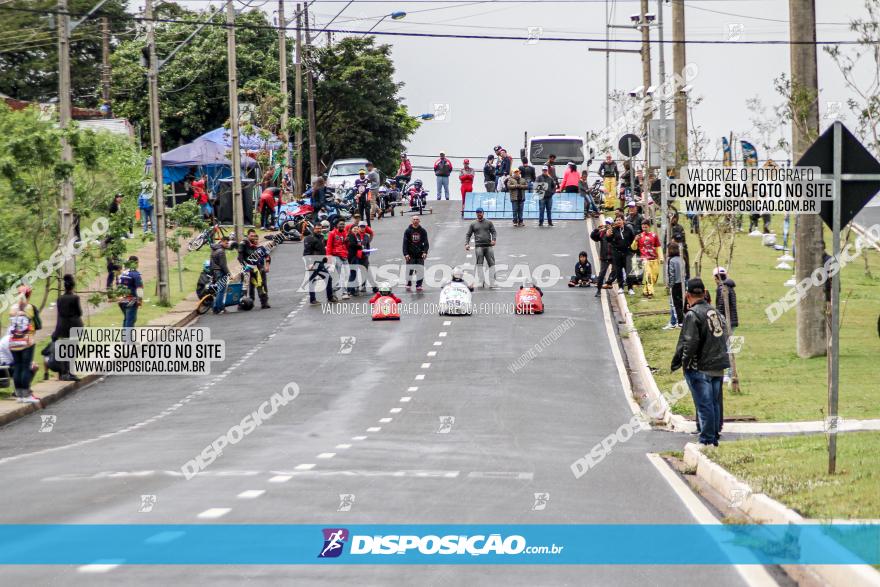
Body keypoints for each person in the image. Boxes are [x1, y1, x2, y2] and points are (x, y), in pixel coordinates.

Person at [671, 277, 730, 446]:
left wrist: (685, 364)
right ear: (704, 293)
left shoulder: (693, 314)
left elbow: (690, 343)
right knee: (714, 403)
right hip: (718, 365)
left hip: (700, 366)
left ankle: (707, 440)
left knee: (704, 405)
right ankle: (715, 434)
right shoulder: (715, 312)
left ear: (687, 295)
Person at [7, 286, 41, 403]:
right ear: (29, 295)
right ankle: (26, 395)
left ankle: (19, 395)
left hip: (13, 341)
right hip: (27, 342)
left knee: (18, 366)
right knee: (26, 367)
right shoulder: (30, 308)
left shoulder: (12, 308)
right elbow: (38, 324)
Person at [51, 274, 83, 382]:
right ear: (73, 287)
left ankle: (64, 373)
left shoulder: (59, 298)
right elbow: (79, 312)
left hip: (63, 326)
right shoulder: (75, 298)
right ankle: (71, 373)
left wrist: (56, 331)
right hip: (74, 326)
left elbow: (59, 314)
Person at [238, 229, 271, 309]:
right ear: (248, 235)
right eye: (251, 236)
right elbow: (240, 258)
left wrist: (266, 266)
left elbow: (267, 256)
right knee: (245, 287)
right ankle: (242, 304)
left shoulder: (259, 247)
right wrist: (245, 267)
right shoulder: (243, 244)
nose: (253, 238)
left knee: (260, 285)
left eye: (254, 236)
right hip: (247, 269)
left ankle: (264, 302)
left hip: (256, 269)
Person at [303, 221, 334, 304]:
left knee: (328, 279)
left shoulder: (321, 237)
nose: (319, 230)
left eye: (320, 228)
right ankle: (313, 300)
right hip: (313, 263)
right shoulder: (309, 238)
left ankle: (330, 297)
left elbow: (321, 249)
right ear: (314, 229)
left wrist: (325, 259)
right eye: (317, 228)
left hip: (320, 262)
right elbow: (306, 252)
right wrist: (309, 264)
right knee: (312, 281)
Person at [465, 207, 497, 288]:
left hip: (488, 246)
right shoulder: (473, 224)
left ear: (483, 213)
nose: (479, 214)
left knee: (492, 264)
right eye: (477, 212)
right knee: (479, 264)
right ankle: (481, 281)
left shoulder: (489, 222)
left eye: (480, 212)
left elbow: (493, 232)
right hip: (479, 247)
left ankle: (492, 281)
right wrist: (466, 244)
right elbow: (468, 234)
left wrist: (494, 240)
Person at [633, 219, 662, 298]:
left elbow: (658, 247)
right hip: (645, 259)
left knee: (654, 277)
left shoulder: (654, 236)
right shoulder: (639, 236)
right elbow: (634, 248)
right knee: (648, 275)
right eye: (643, 227)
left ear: (649, 227)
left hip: (654, 259)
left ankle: (645, 291)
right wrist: (635, 241)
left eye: (646, 227)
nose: (644, 229)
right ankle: (650, 293)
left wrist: (661, 258)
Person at [117, 256, 144, 338]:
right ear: (135, 263)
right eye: (137, 263)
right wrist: (140, 300)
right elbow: (139, 289)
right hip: (131, 300)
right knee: (130, 320)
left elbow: (118, 285)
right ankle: (128, 341)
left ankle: (125, 339)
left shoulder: (122, 273)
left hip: (121, 300)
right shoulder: (136, 274)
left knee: (126, 319)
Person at [326, 219, 351, 300]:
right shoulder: (332, 233)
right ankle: (344, 292)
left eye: (343, 224)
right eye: (340, 224)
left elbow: (346, 245)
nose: (342, 226)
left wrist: (347, 241)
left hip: (344, 255)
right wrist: (329, 259)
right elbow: (329, 247)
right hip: (336, 256)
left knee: (348, 274)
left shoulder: (345, 233)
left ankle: (334, 289)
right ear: (336, 225)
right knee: (342, 274)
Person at [403, 216, 429, 292]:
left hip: (420, 254)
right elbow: (405, 243)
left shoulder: (423, 231)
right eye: (414, 219)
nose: (415, 221)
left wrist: (425, 252)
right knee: (409, 270)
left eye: (417, 219)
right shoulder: (408, 231)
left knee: (420, 270)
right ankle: (408, 283)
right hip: (410, 254)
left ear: (419, 221)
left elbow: (426, 243)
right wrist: (405, 254)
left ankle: (419, 284)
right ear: (412, 221)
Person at [609, 216, 634, 294]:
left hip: (627, 253)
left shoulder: (628, 229)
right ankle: (621, 287)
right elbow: (609, 240)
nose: (618, 221)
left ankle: (630, 288)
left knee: (629, 270)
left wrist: (632, 250)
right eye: (616, 220)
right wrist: (608, 235)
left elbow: (632, 240)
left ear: (623, 221)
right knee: (619, 270)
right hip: (617, 253)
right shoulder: (614, 230)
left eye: (619, 220)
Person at [664, 242, 686, 330]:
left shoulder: (671, 260)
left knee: (675, 304)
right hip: (682, 284)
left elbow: (671, 274)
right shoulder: (682, 259)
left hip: (675, 284)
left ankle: (679, 322)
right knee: (681, 303)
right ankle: (681, 321)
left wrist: (670, 285)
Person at [590, 219, 615, 297]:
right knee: (601, 274)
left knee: (617, 270)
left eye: (609, 223)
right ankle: (598, 290)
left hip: (614, 256)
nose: (608, 225)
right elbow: (593, 237)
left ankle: (609, 282)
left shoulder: (615, 232)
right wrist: (597, 229)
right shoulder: (602, 232)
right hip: (604, 257)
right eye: (606, 223)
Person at [210, 236, 234, 313]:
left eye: (228, 243)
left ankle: (215, 308)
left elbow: (211, 263)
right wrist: (229, 274)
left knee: (218, 291)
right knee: (221, 291)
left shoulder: (214, 249)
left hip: (215, 271)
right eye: (226, 243)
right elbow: (223, 265)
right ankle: (220, 308)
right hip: (220, 272)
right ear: (222, 241)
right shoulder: (221, 251)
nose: (227, 245)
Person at [713, 267, 738, 333]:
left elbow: (721, 306)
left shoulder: (722, 289)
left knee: (725, 341)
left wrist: (718, 321)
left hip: (726, 321)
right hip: (732, 320)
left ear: (717, 278)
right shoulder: (730, 287)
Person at [346, 224, 365, 296]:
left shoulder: (357, 235)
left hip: (356, 256)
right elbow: (351, 244)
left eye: (357, 229)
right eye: (354, 228)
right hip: (352, 256)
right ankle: (350, 290)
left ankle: (351, 289)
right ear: (351, 229)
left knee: (354, 273)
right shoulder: (351, 235)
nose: (356, 230)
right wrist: (360, 247)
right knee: (353, 273)